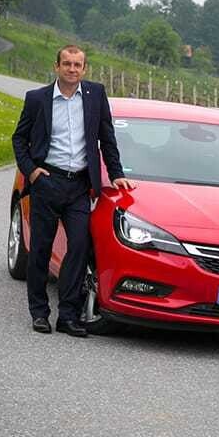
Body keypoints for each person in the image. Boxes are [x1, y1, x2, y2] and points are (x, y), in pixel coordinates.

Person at [12, 44, 134, 337]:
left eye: (77, 65)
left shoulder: (95, 96)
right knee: (40, 250)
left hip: (79, 186)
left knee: (78, 247)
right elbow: (19, 139)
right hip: (47, 182)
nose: (72, 69)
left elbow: (107, 138)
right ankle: (40, 313)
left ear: (84, 69)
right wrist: (32, 171)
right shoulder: (37, 99)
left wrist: (116, 174)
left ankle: (68, 315)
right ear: (57, 67)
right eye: (66, 64)